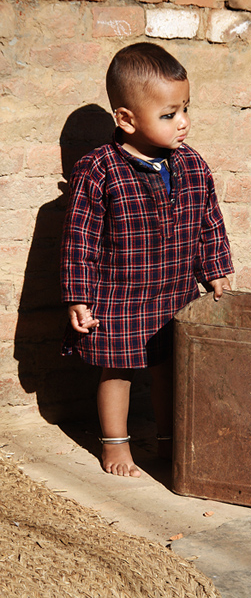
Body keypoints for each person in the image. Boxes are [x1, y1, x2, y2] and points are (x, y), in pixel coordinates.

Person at [61, 43, 234, 478]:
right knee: (116, 369)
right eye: (169, 114)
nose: (183, 123)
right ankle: (115, 443)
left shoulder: (192, 165)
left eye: (185, 109)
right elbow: (79, 239)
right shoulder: (99, 170)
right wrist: (78, 297)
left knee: (168, 368)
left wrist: (215, 272)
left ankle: (168, 437)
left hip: (175, 291)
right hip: (119, 295)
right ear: (126, 119)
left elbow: (209, 221)